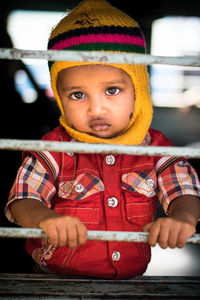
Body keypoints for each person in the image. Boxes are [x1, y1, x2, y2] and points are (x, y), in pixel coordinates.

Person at [5, 0, 200, 279]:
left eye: (111, 90)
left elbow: (183, 189)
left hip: (130, 281)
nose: (96, 109)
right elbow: (23, 198)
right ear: (60, 98)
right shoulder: (51, 148)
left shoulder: (156, 148)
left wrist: (183, 218)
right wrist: (43, 219)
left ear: (138, 91)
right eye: (77, 95)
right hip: (52, 279)